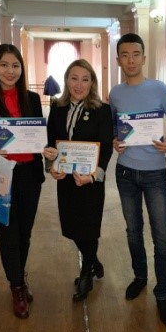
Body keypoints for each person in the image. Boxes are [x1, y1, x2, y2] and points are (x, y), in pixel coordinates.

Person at [0, 44, 52, 319]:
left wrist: (46, 148)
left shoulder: (32, 99)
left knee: (24, 233)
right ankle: (16, 287)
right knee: (7, 234)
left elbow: (39, 136)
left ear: (21, 68)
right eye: (3, 65)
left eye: (15, 65)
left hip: (29, 175)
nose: (10, 71)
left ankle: (20, 277)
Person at [109, 33, 166, 327]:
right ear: (118, 60)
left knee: (162, 235)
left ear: (143, 57)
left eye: (136, 54)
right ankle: (140, 276)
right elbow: (114, 126)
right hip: (125, 171)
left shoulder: (159, 89)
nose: (131, 60)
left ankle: (162, 291)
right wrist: (115, 140)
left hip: (154, 173)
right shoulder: (115, 93)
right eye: (125, 55)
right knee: (133, 231)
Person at [46, 59, 113, 301]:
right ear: (66, 80)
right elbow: (50, 144)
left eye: (85, 79)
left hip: (90, 181)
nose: (79, 84)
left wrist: (94, 176)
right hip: (66, 180)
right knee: (72, 227)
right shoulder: (57, 107)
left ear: (92, 82)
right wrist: (51, 166)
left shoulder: (102, 110)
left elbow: (106, 149)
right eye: (74, 78)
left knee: (89, 228)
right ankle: (94, 261)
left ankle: (86, 274)